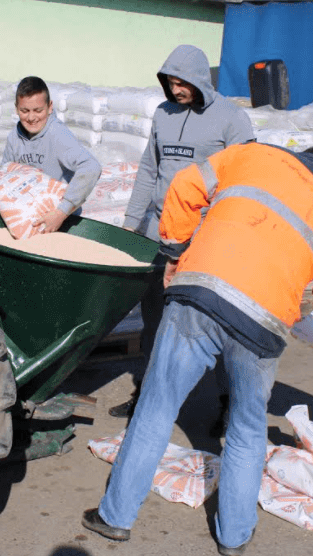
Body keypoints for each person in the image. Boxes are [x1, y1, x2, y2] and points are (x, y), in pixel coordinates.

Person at [82, 144, 313, 555]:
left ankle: (115, 517)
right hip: (262, 325)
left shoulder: (255, 155)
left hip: (200, 293)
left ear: (301, 155)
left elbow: (184, 184)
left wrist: (174, 252)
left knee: (157, 407)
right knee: (247, 430)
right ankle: (234, 538)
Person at [111, 44, 254, 419]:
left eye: (182, 83)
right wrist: (131, 223)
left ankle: (228, 405)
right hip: (161, 235)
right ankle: (146, 394)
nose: (176, 90)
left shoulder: (231, 119)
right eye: (171, 83)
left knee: (216, 320)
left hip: (208, 240)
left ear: (199, 79)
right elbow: (148, 170)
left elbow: (246, 176)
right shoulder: (163, 114)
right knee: (155, 317)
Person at [1, 76, 101, 233]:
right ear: (16, 108)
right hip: (26, 217)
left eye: (38, 110)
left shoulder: (57, 134)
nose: (32, 117)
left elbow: (91, 167)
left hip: (58, 221)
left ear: (49, 107)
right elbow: (5, 175)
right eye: (25, 111)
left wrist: (62, 211)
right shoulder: (14, 137)